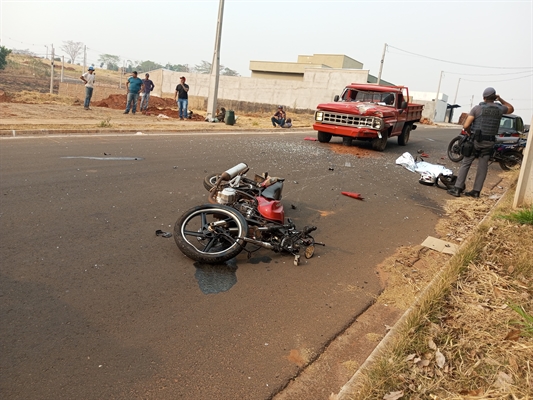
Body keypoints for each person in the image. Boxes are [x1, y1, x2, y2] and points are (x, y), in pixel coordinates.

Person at [447, 87, 514, 198]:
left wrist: (468, 132)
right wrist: (500, 99)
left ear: (484, 98)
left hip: (475, 141)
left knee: (466, 163)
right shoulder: (500, 109)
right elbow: (511, 108)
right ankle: (476, 191)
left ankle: (457, 189)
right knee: (483, 167)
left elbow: (466, 125)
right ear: (494, 97)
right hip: (489, 142)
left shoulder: (477, 108)